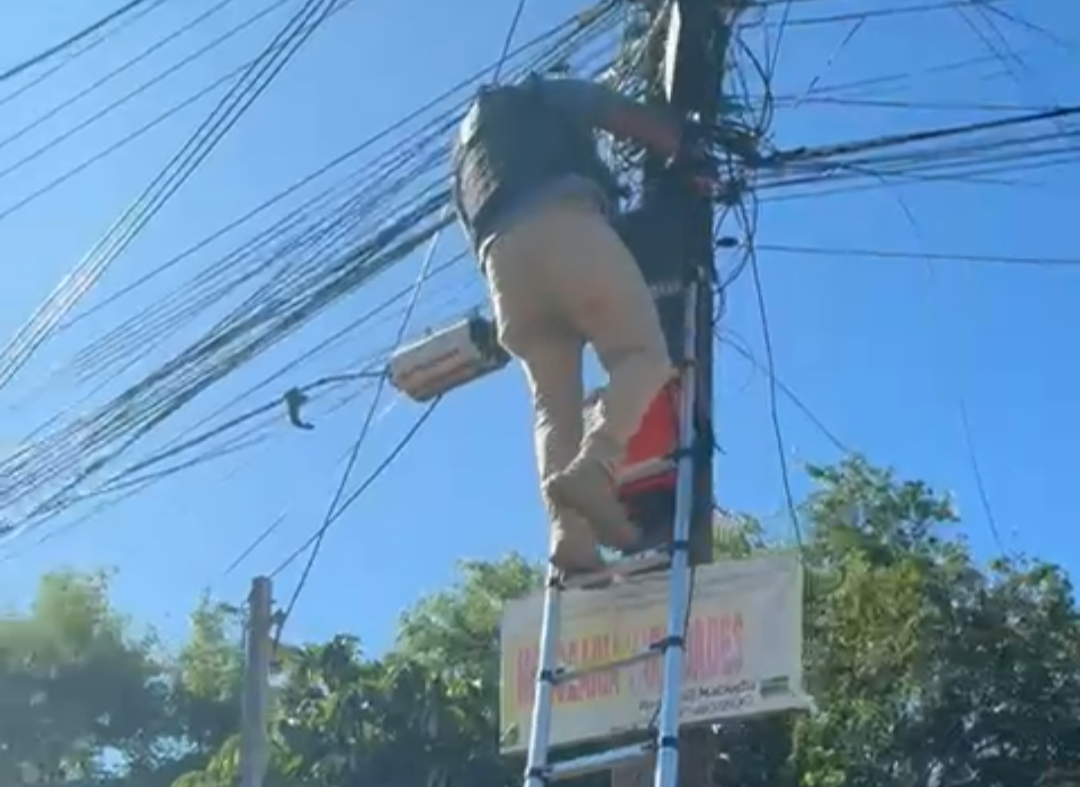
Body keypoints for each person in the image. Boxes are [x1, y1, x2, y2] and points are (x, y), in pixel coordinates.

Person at [451, 74, 707, 576]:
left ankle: (569, 539)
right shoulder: (543, 94)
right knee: (643, 356)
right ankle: (596, 464)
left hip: (502, 268)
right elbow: (618, 112)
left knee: (553, 408)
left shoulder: (464, 159)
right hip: (564, 224)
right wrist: (684, 147)